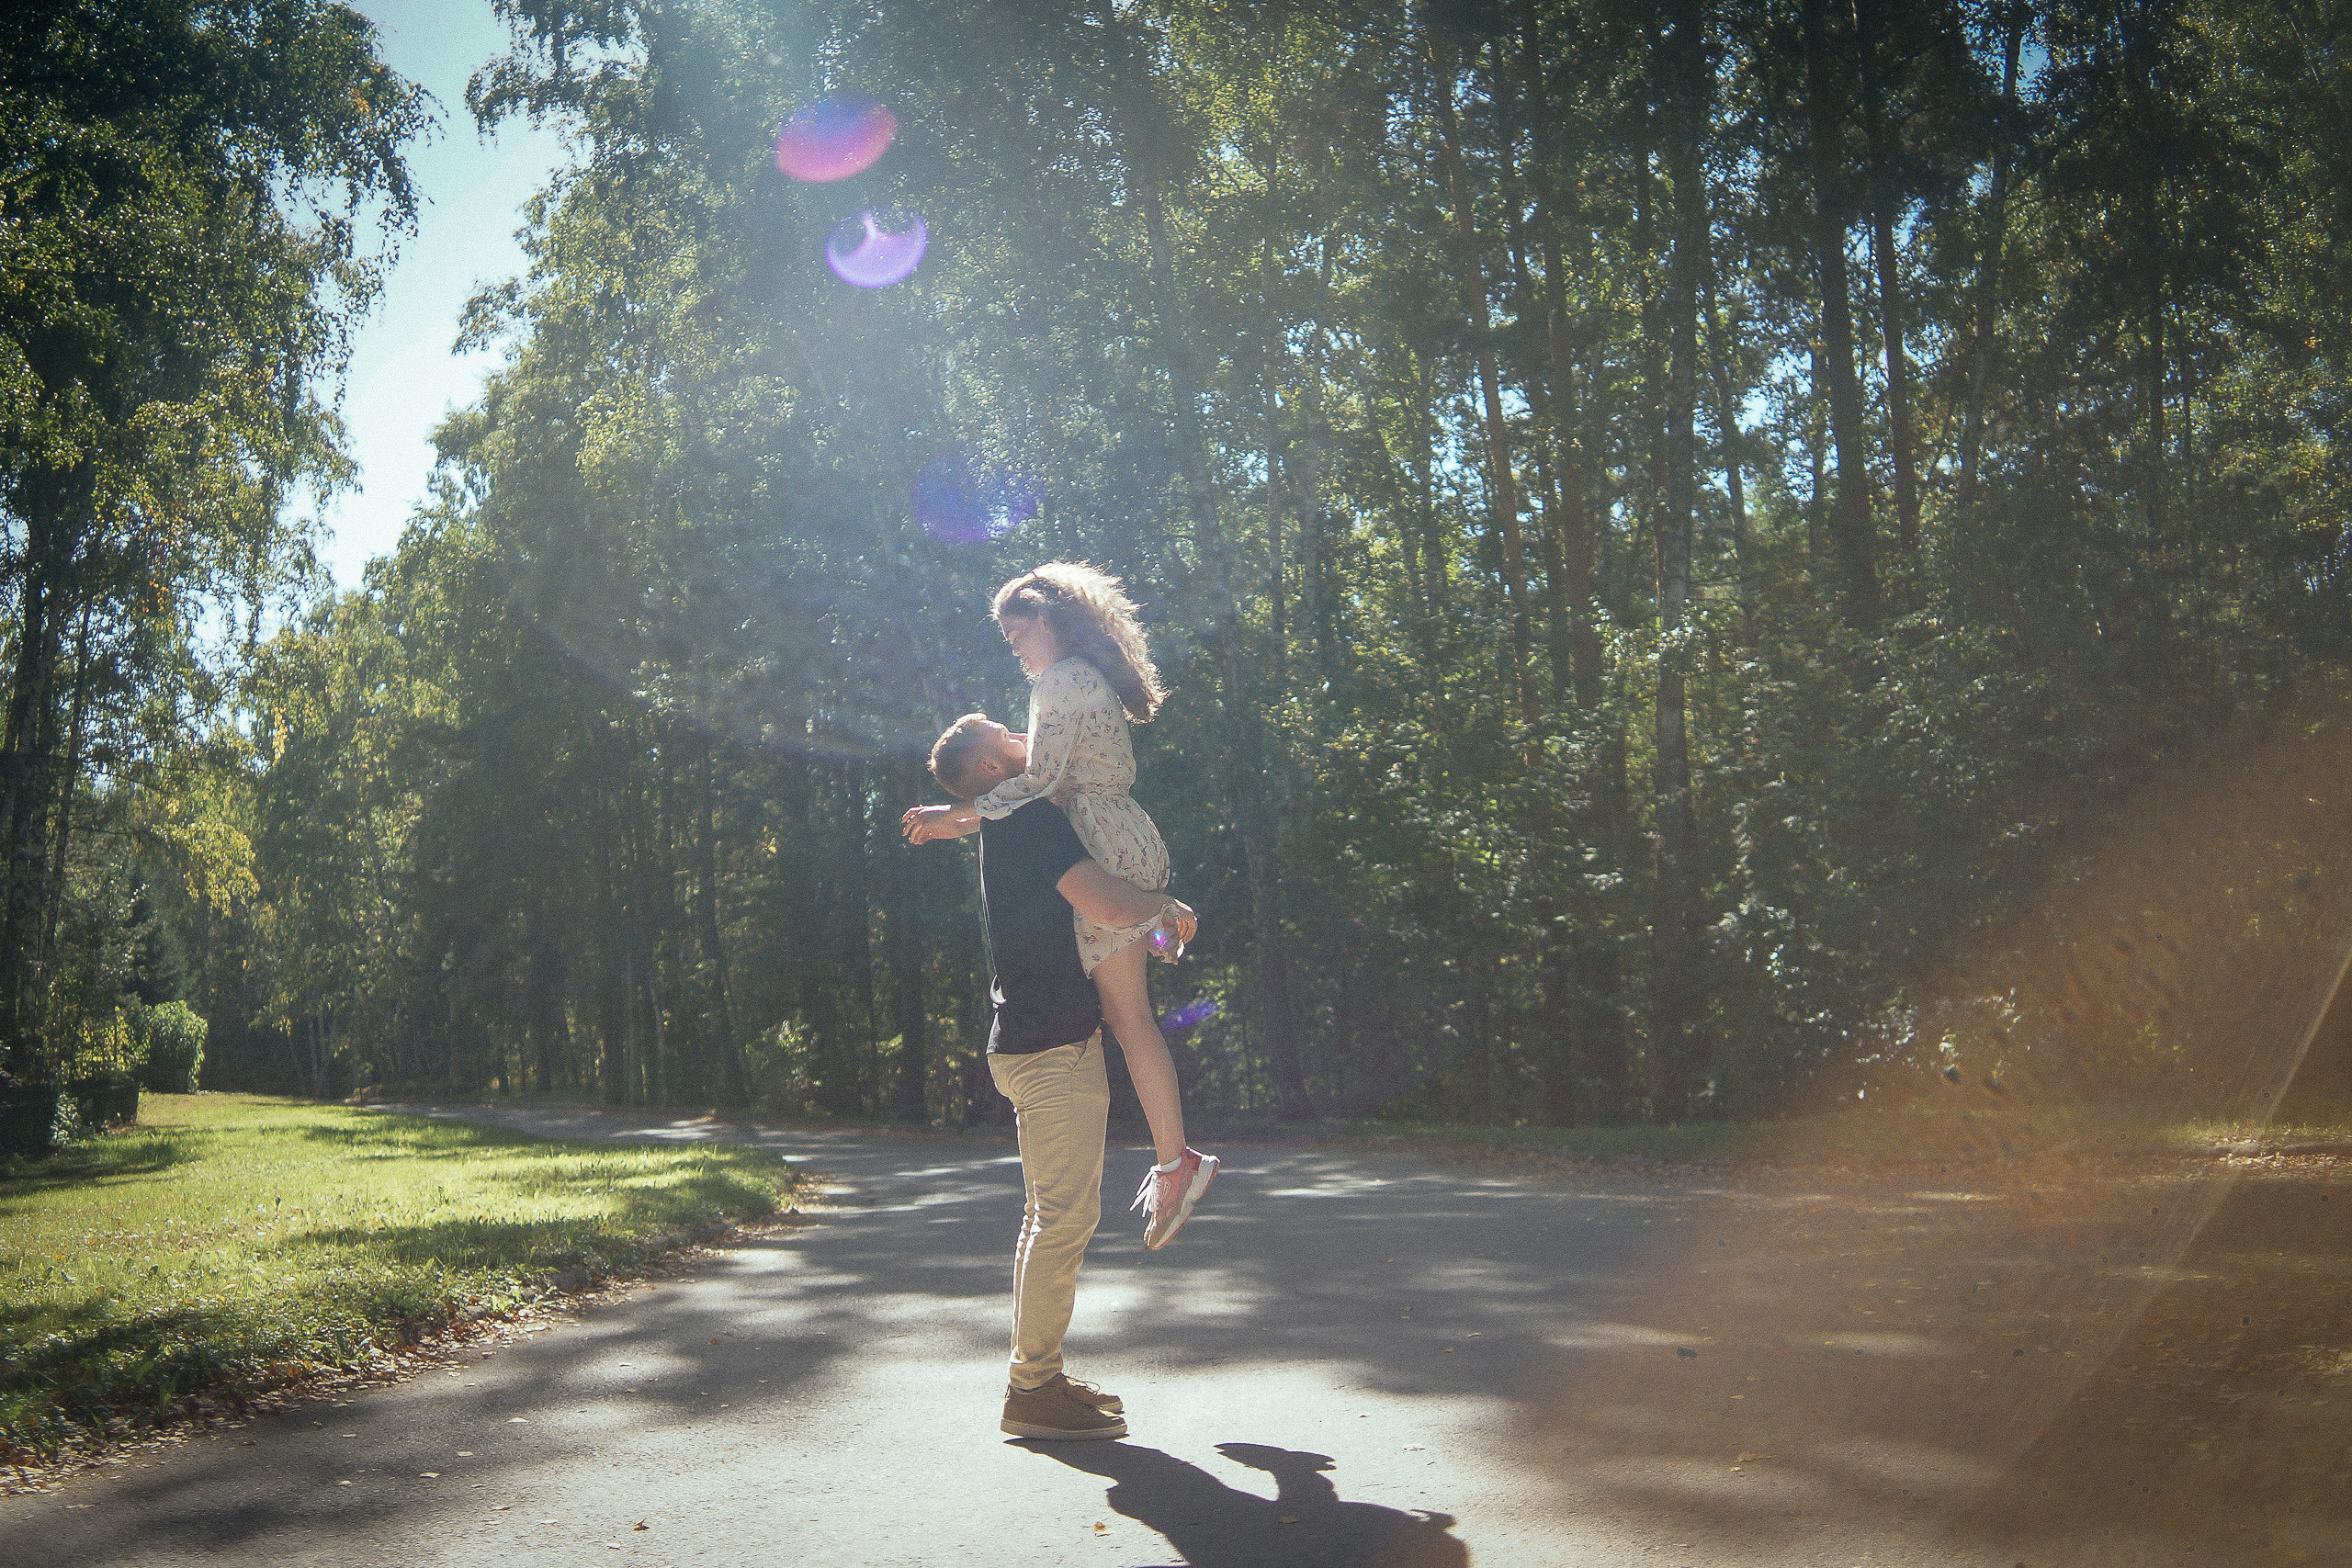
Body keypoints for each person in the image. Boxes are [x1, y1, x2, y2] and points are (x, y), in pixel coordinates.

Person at [901, 562, 1218, 1251]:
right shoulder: (1076, 678)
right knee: (1126, 1010)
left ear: (1047, 620)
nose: (1014, 649)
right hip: (1119, 836)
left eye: (1017, 633)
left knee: (1128, 1015)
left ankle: (1178, 1163)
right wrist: (962, 817)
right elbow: (1027, 787)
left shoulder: (1060, 682)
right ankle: (1175, 1160)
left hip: (1104, 841)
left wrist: (955, 816)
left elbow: (1036, 784)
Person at [904, 715, 1197, 1441]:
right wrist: (1166, 909)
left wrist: (949, 815)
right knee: (1061, 1219)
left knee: (1050, 1216)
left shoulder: (1011, 815)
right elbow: (1106, 903)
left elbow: (1003, 806)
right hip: (1051, 1048)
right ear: (988, 767)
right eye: (1002, 733)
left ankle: (1038, 1376)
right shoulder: (1029, 818)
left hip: (1029, 1043)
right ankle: (1033, 1388)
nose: (1020, 730)